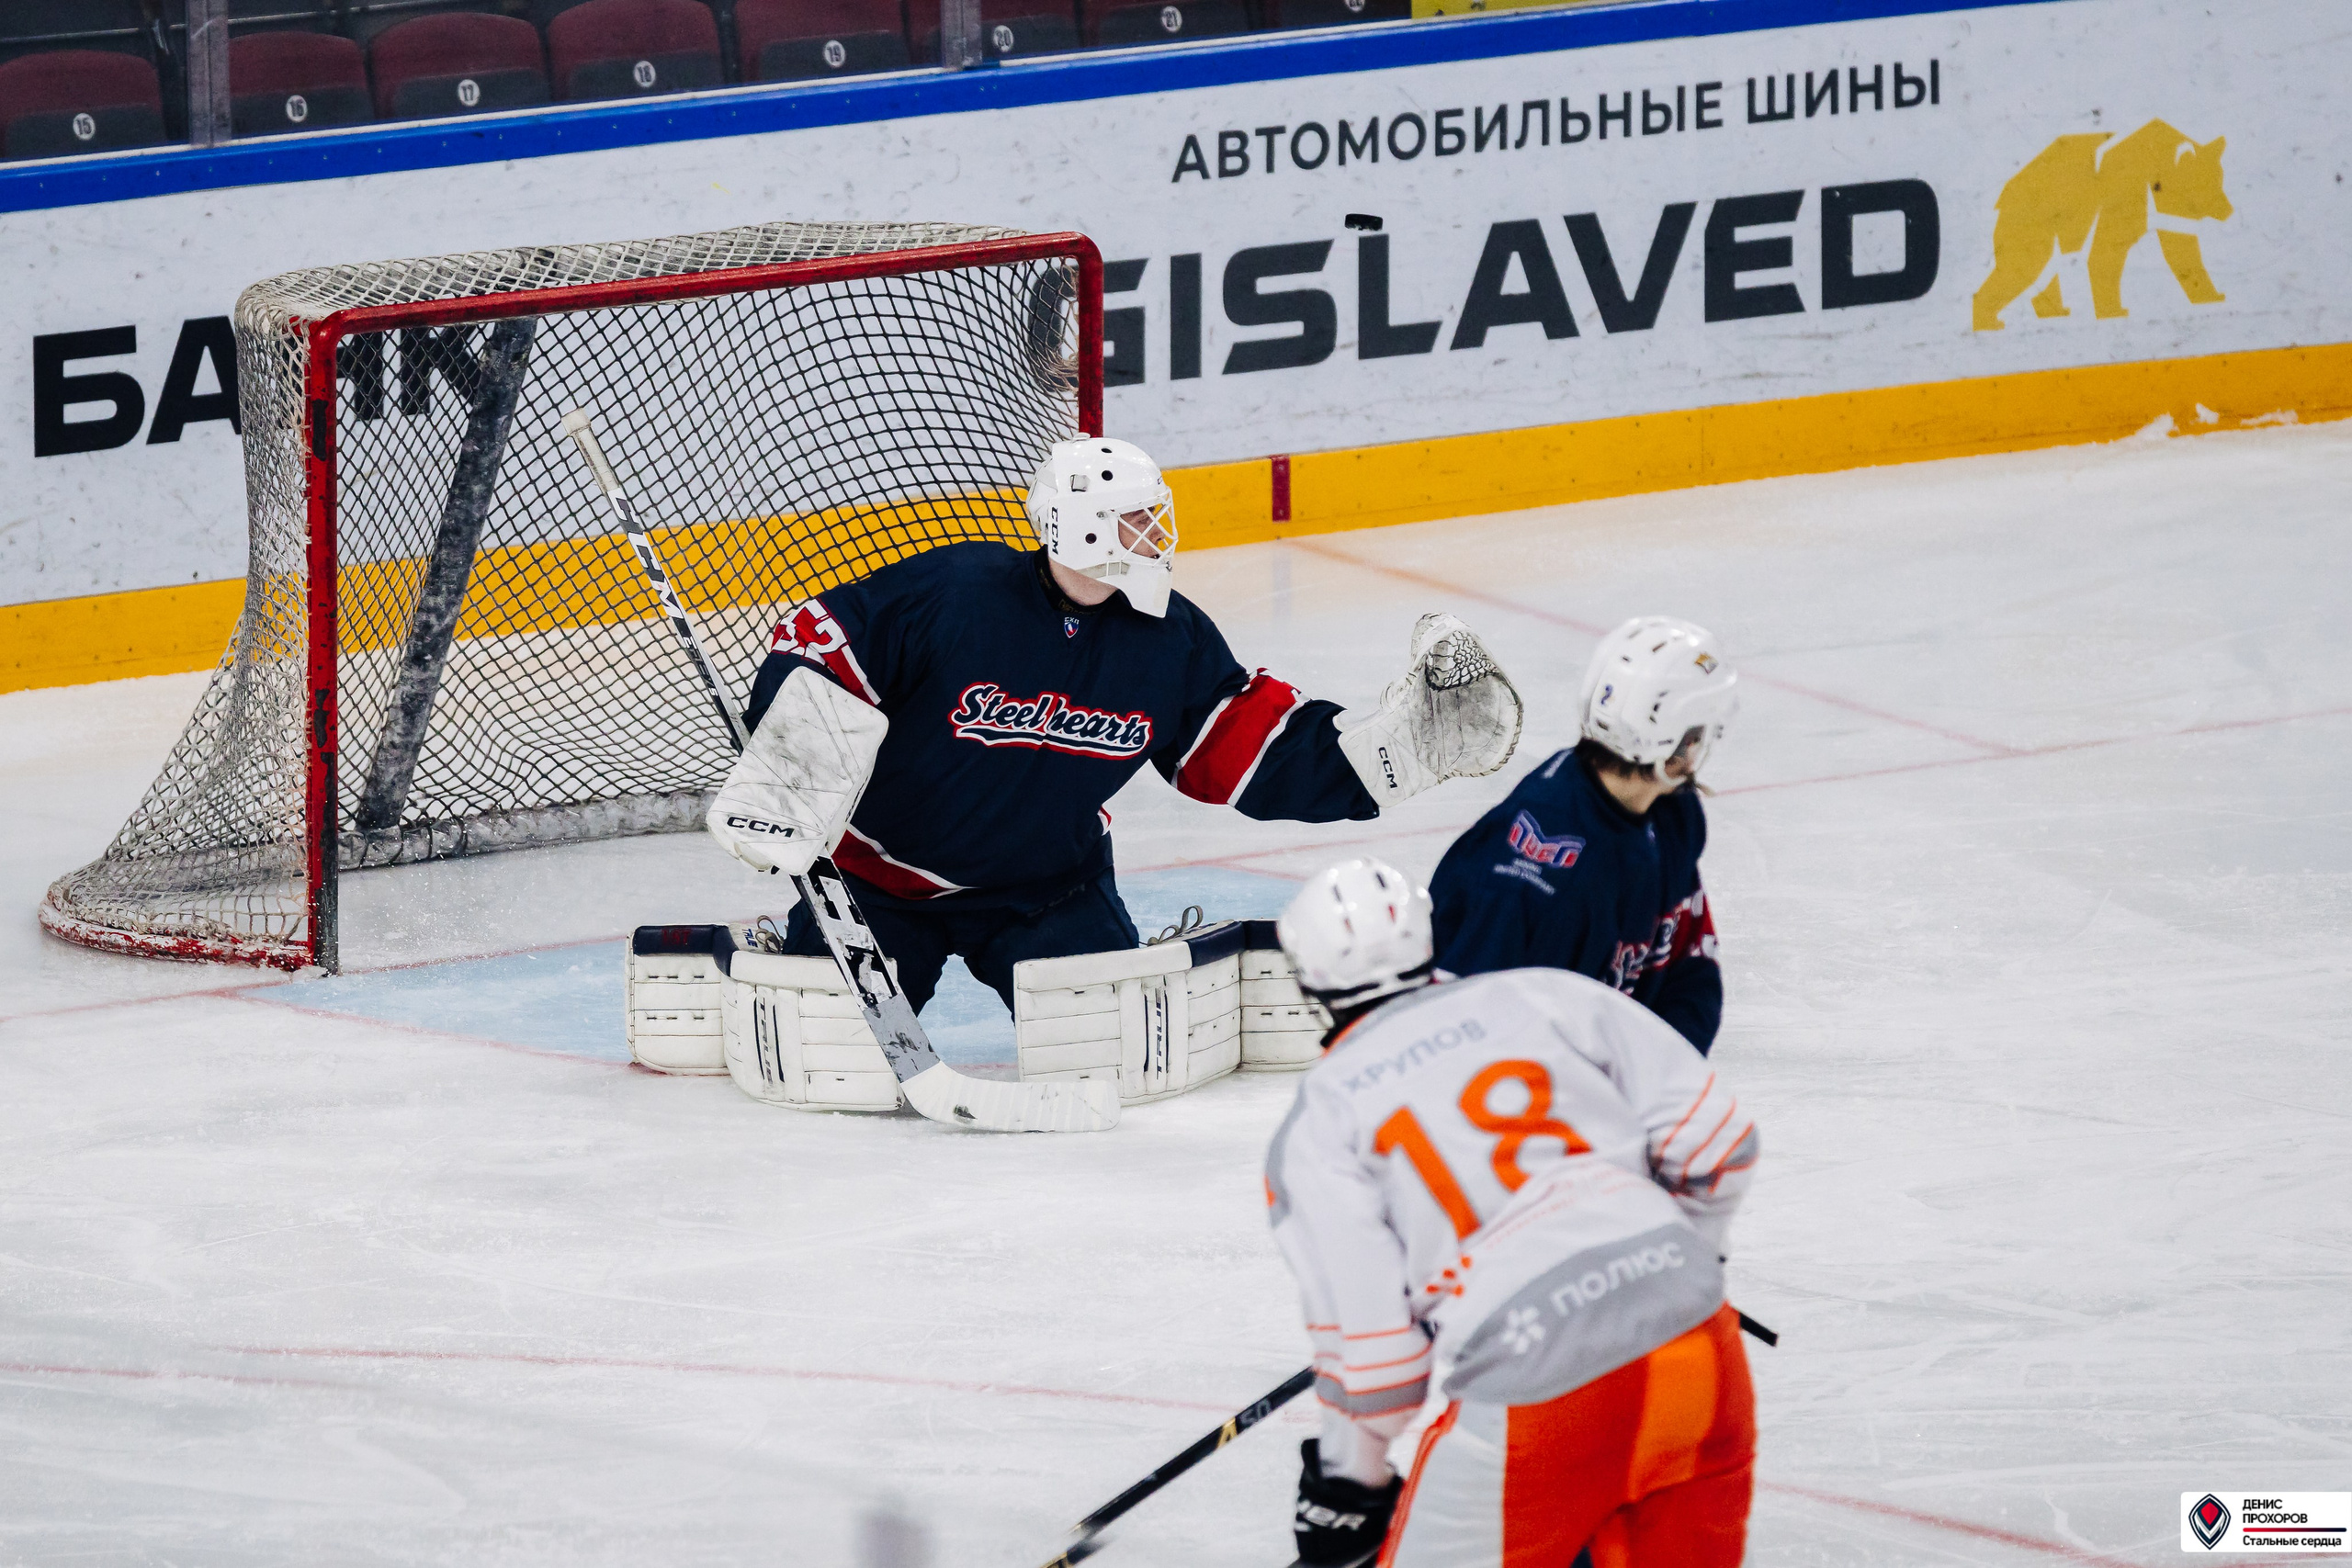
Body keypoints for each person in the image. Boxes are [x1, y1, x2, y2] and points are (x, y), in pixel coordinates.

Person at [704, 435, 1521, 1015]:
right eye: (1136, 520)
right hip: (877, 883)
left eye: (1153, 517)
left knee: (1116, 1053)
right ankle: (791, 949)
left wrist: (1388, 755)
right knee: (832, 1061)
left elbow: (1242, 748)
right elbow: (821, 644)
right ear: (1080, 524)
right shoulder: (956, 595)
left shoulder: (1168, 638)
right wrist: (792, 767)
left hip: (1046, 891)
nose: (1156, 535)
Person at [1266, 858, 1758, 1568]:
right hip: (1700, 1350)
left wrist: (1348, 1489)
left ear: (1307, 978)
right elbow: (1721, 1144)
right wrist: (1681, 1259)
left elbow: (1379, 1369)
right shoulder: (1546, 994)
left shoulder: (1319, 1124)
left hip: (1538, 1390)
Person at [1428, 615, 1737, 1055]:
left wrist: (1658, 1078)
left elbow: (1688, 968)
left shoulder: (1671, 815)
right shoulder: (1534, 887)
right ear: (1683, 741)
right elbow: (1466, 1046)